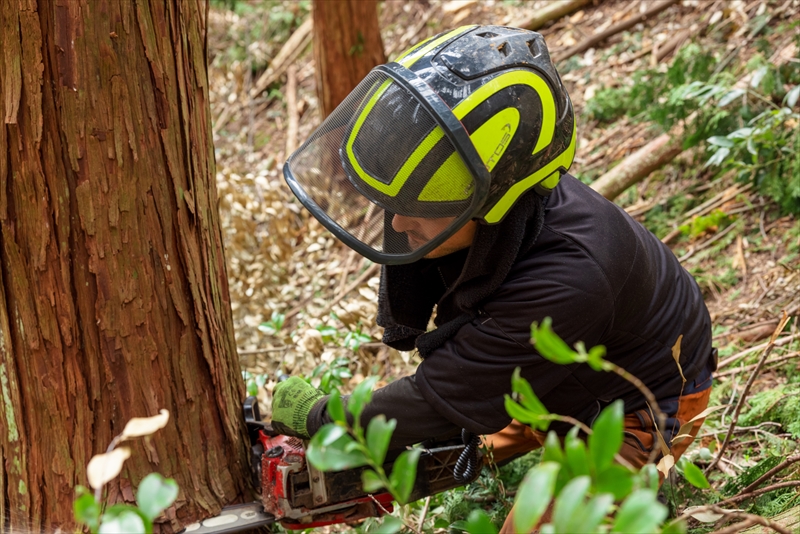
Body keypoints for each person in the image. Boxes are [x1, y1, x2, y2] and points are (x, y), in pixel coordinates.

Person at [270, 25, 716, 532]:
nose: (396, 223)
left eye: (418, 206)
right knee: (422, 456)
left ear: (491, 202)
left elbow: (440, 397)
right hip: (543, 377)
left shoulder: (570, 278)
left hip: (644, 397)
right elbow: (457, 388)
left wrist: (322, 417)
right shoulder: (504, 226)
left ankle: (632, 474)